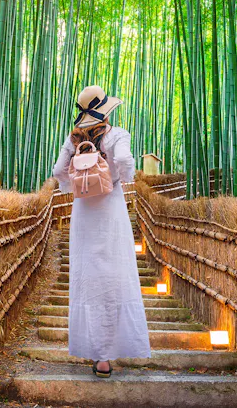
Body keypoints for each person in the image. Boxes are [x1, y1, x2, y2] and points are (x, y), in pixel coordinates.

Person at [51, 85, 152, 378]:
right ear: (106, 110)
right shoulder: (117, 134)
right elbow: (123, 161)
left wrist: (77, 185)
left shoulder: (73, 139)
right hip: (111, 210)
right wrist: (116, 180)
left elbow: (58, 170)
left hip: (84, 212)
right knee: (115, 275)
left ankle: (97, 354)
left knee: (89, 278)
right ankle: (111, 352)